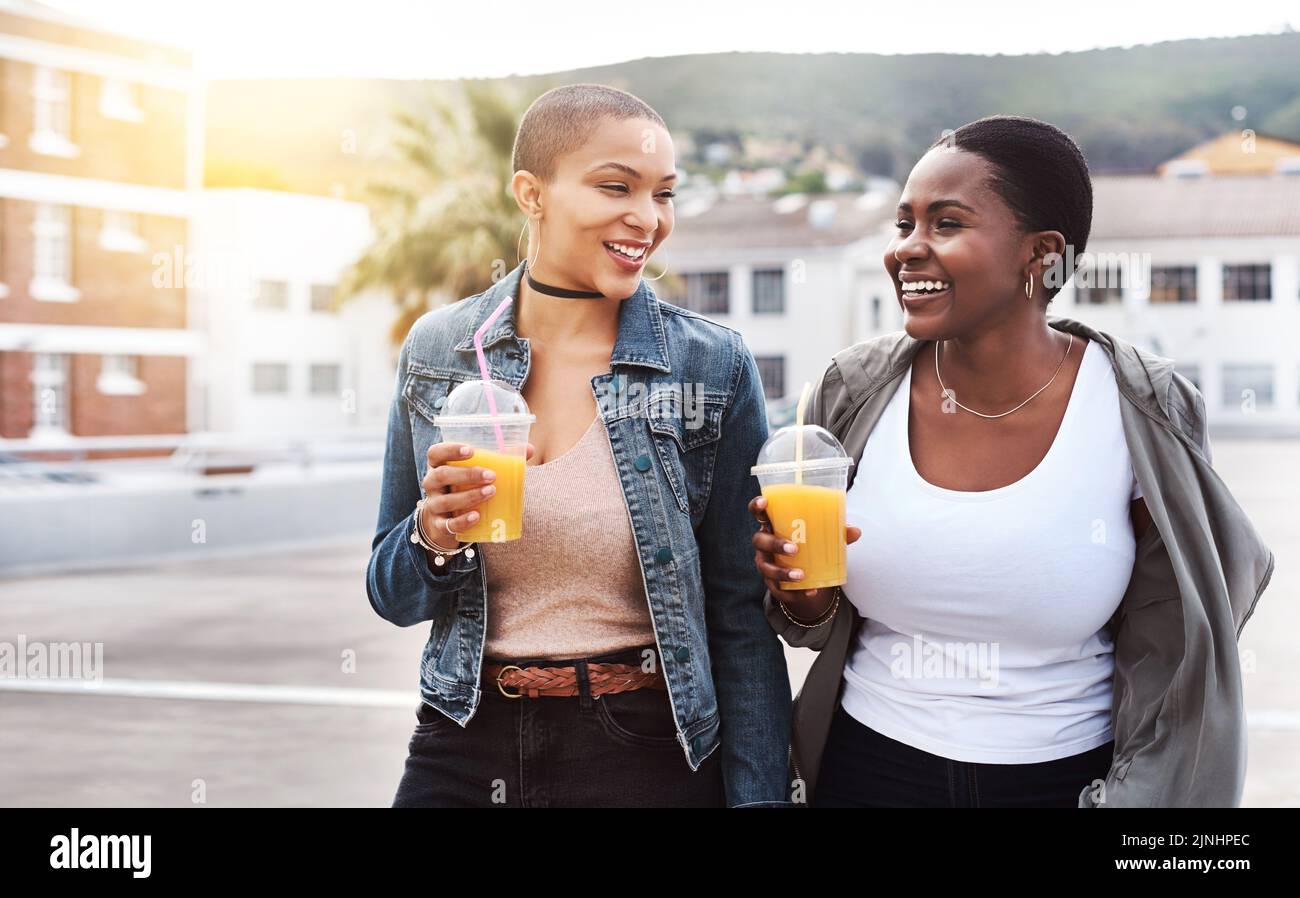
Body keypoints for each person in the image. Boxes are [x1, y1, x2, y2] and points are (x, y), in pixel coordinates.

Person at [751, 115, 1275, 808]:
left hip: (1063, 781)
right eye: (904, 223)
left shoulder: (1141, 409)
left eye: (946, 224)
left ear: (1041, 254)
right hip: (864, 772)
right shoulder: (852, 392)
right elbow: (811, 620)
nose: (907, 249)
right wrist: (802, 596)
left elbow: (1179, 646)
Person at [367, 83, 792, 807]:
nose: (647, 219)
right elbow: (391, 593)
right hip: (463, 738)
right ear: (530, 194)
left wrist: (760, 800)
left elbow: (742, 622)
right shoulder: (441, 351)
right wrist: (433, 538)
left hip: (641, 749)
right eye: (615, 187)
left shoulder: (710, 366)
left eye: (663, 194)